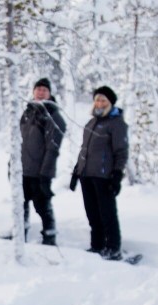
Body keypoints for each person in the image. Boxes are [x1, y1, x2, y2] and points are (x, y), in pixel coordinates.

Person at [71, 86, 128, 260]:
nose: (100, 103)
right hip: (86, 174)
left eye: (103, 100)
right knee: (92, 213)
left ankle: (113, 247)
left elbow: (121, 151)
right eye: (97, 99)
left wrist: (117, 174)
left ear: (110, 103)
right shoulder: (91, 122)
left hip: (104, 176)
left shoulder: (116, 123)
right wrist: (76, 171)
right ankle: (97, 245)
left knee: (107, 213)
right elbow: (84, 150)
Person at [20, 77, 66, 245]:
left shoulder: (53, 116)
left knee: (42, 205)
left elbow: (53, 149)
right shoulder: (28, 112)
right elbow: (20, 140)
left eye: (44, 90)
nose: (40, 92)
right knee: (20, 204)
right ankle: (20, 234)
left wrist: (45, 174)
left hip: (40, 171)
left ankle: (49, 236)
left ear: (49, 93)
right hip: (23, 169)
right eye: (38, 89)